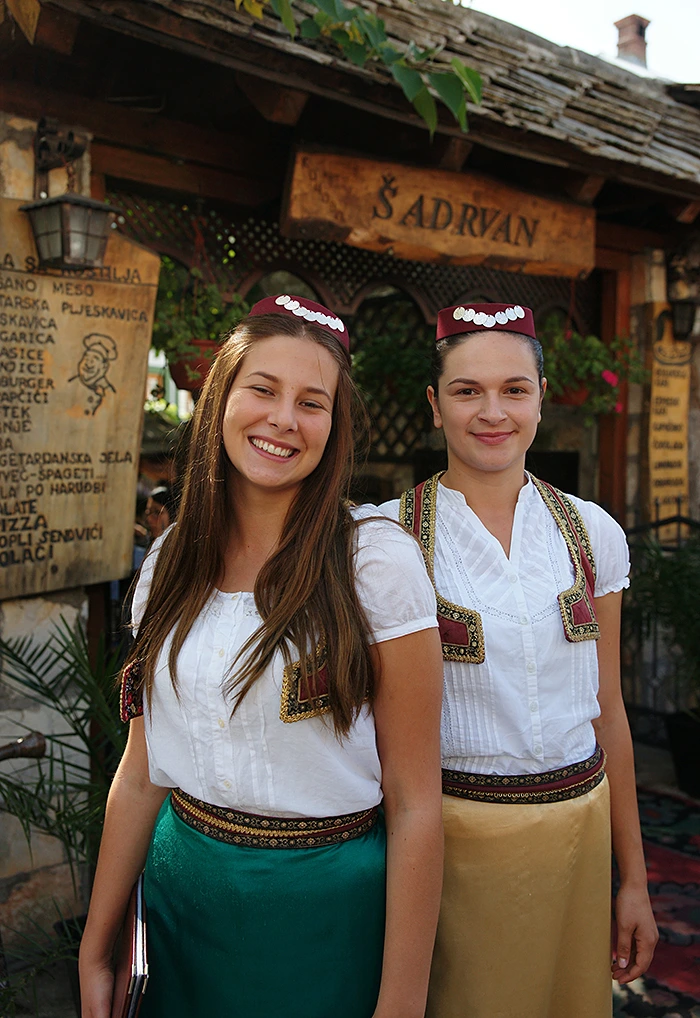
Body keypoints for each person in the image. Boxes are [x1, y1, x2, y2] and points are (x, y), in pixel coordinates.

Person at [78, 295, 444, 1018]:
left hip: (325, 915)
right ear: (221, 397)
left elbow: (415, 803)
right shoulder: (171, 559)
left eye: (312, 402)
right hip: (182, 902)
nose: (283, 419)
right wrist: (96, 946)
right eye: (263, 389)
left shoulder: (375, 564)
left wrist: (401, 1001)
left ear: (334, 427)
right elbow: (142, 773)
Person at [380, 302, 658, 1018]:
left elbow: (608, 711)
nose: (492, 412)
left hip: (578, 841)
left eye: (514, 390)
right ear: (434, 405)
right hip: (449, 849)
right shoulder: (383, 540)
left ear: (541, 399)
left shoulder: (592, 533)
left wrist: (633, 880)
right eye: (467, 391)